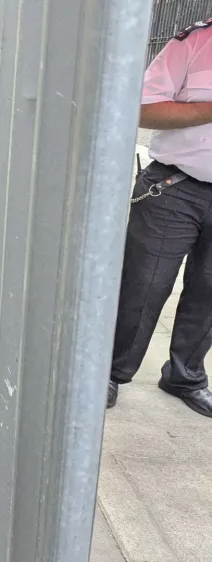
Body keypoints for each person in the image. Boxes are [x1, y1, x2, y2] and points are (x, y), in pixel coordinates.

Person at [108, 17, 212, 416]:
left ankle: (185, 376)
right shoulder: (192, 43)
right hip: (176, 186)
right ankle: (111, 372)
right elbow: (144, 109)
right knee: (143, 287)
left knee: (207, 292)